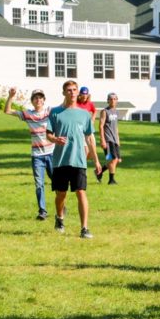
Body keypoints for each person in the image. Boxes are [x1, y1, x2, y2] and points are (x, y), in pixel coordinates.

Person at [46, 80, 102, 239]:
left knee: (81, 192)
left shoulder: (85, 115)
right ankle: (59, 218)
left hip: (79, 160)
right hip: (60, 160)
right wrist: (55, 139)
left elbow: (90, 138)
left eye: (74, 90)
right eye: (69, 90)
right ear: (64, 93)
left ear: (78, 92)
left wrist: (96, 161)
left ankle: (84, 228)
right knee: (60, 195)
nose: (72, 92)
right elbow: (48, 134)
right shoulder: (55, 112)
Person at [4, 87, 54, 220]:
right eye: (35, 98)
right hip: (37, 156)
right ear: (32, 101)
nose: (38, 100)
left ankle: (61, 206)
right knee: (39, 184)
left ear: (44, 100)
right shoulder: (28, 114)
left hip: (52, 153)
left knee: (57, 182)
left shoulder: (50, 112)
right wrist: (10, 96)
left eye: (40, 98)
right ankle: (42, 211)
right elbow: (7, 111)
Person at [96, 93, 122, 186]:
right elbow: (101, 126)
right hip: (107, 140)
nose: (113, 101)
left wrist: (118, 140)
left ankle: (99, 172)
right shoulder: (104, 111)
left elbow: (116, 127)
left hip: (115, 140)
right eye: (111, 99)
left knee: (117, 160)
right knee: (112, 159)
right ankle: (111, 180)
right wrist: (102, 140)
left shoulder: (116, 112)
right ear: (108, 100)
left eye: (115, 99)